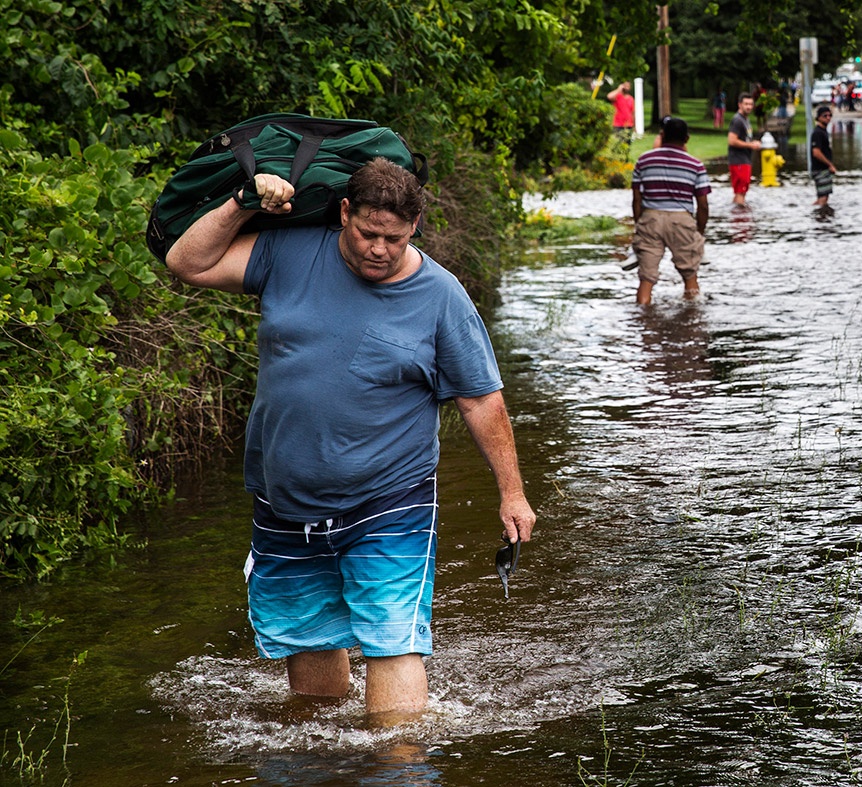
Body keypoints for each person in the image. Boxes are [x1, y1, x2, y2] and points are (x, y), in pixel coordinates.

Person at [164, 158, 536, 725]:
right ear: (344, 214)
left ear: (415, 229)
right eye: (367, 233)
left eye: (395, 237)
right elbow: (186, 262)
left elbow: (480, 399)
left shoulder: (441, 296)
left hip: (391, 497)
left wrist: (512, 492)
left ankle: (400, 764)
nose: (379, 249)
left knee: (394, 638)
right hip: (284, 499)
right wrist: (243, 202)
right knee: (311, 677)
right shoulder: (289, 253)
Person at [630, 116, 710, 305]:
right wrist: (699, 232)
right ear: (687, 139)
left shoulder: (644, 160)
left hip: (650, 218)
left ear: (662, 135)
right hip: (682, 221)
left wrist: (639, 224)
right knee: (690, 275)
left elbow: (636, 199)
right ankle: (691, 322)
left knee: (646, 279)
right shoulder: (696, 165)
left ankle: (644, 324)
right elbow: (703, 205)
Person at [726, 93, 761, 206]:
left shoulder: (745, 119)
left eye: (751, 104)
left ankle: (737, 215)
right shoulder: (737, 120)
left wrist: (753, 143)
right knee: (741, 191)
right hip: (738, 160)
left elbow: (745, 138)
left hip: (744, 159)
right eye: (746, 104)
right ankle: (741, 220)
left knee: (741, 191)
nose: (749, 107)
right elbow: (732, 140)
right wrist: (750, 145)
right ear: (739, 105)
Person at [809, 105, 837, 207]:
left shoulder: (823, 132)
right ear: (819, 117)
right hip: (820, 169)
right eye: (825, 116)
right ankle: (820, 217)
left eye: (830, 115)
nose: (828, 118)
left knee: (823, 196)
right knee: (823, 197)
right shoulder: (817, 133)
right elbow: (816, 152)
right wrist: (830, 165)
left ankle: (816, 213)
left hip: (823, 169)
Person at [607, 81, 635, 147]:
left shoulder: (631, 98)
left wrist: (634, 125)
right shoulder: (617, 96)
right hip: (618, 124)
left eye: (628, 86)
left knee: (627, 144)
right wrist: (618, 89)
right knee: (618, 143)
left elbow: (633, 113)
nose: (627, 88)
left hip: (628, 125)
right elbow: (609, 96)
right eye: (625, 86)